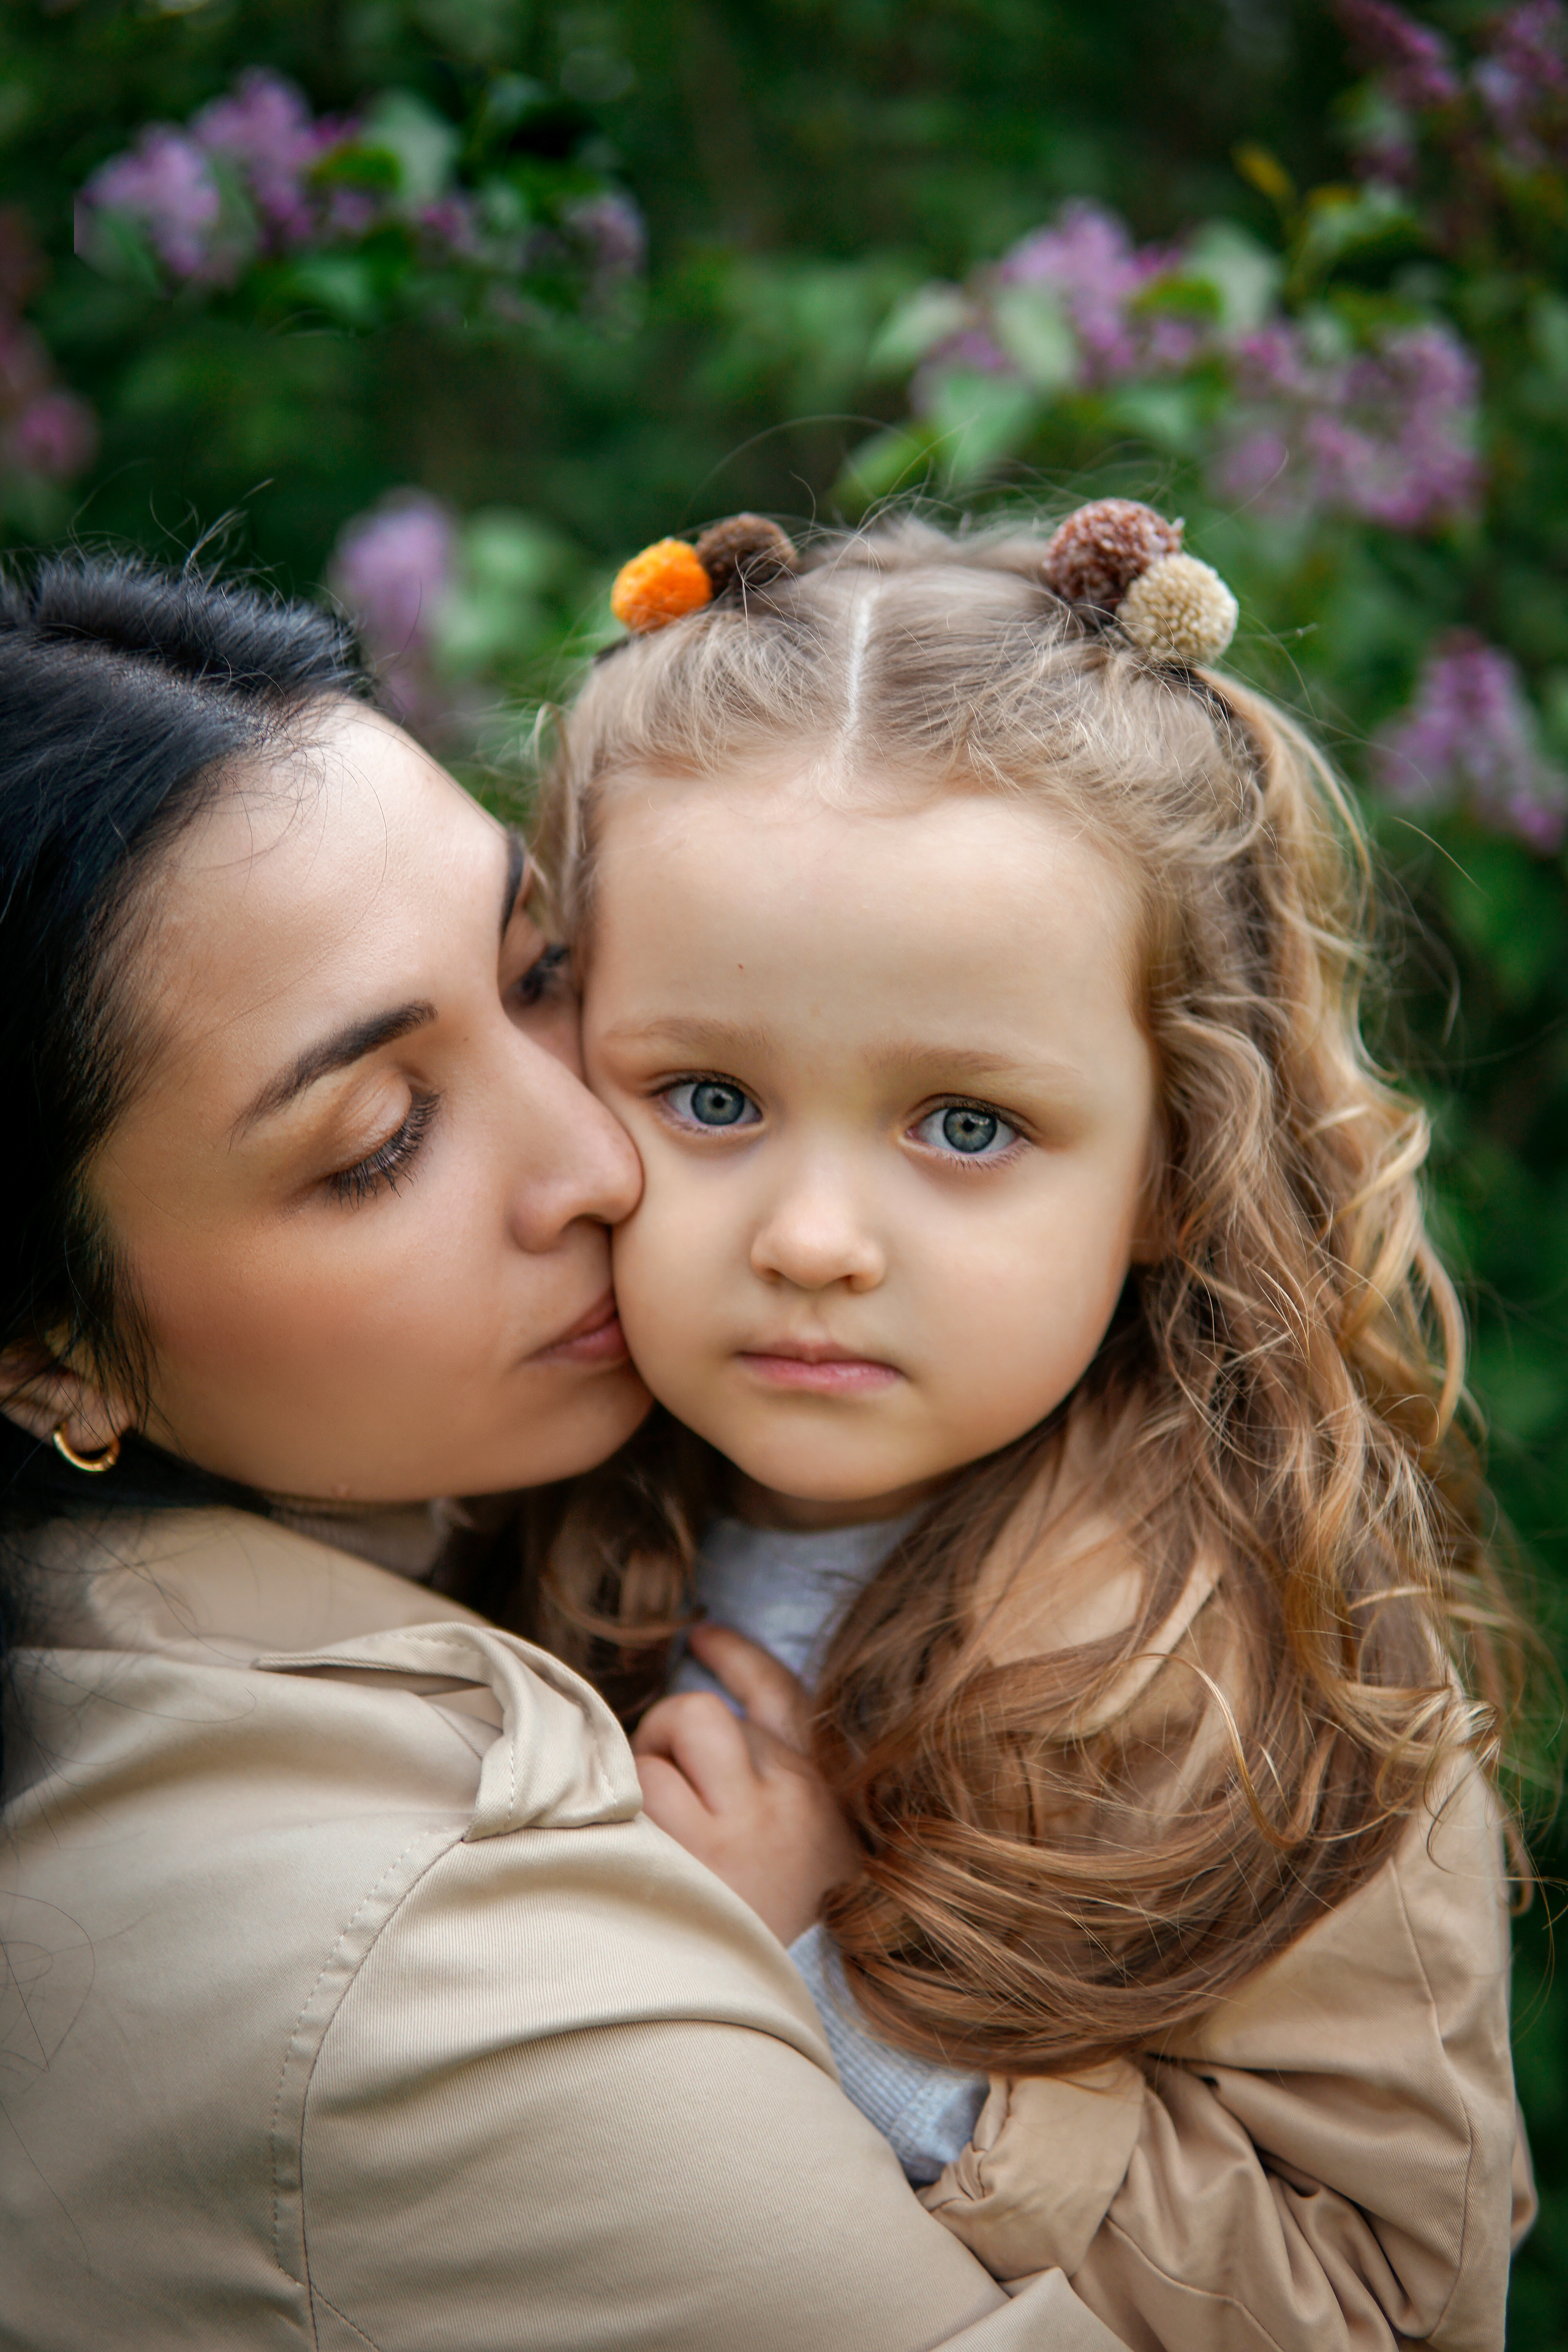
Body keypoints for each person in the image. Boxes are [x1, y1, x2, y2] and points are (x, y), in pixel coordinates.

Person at [0, 553, 1123, 2351]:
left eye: (541, 977)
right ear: (50, 1353)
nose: (605, 1165)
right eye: (378, 1141)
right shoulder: (441, 1974)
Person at [529, 506, 1538, 2351]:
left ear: (1177, 1162)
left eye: (967, 1126)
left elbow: (1389, 2302)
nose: (815, 1242)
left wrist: (830, 1987)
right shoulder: (504, 1510)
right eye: (709, 1095)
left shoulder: (1262, 1692)